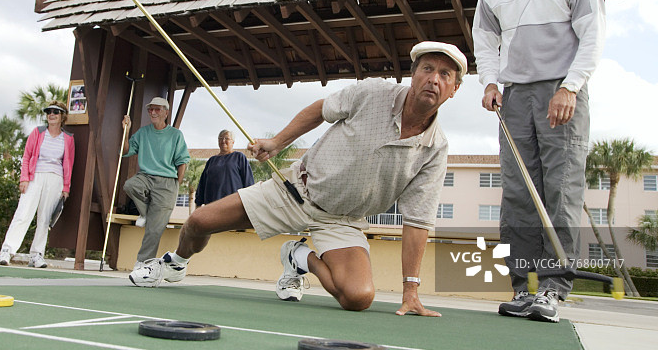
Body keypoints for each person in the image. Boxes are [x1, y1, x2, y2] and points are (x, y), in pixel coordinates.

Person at [129, 42, 466, 317]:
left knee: (358, 297)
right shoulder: (375, 93)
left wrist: (411, 290)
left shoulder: (435, 149)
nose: (433, 79)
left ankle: (298, 258)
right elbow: (321, 109)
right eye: (427, 69)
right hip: (294, 190)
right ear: (413, 74)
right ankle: (176, 263)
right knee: (199, 222)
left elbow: (418, 220)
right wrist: (277, 143)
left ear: (454, 89)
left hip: (343, 222)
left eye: (444, 74)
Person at [473, 0, 606, 323]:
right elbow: (486, 42)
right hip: (514, 97)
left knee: (560, 190)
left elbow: (592, 36)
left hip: (561, 92)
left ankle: (552, 288)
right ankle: (523, 287)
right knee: (516, 194)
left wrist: (570, 88)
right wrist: (490, 82)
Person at [0, 101, 75, 268]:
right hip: (35, 177)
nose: (51, 114)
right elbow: (27, 156)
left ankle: (36, 255)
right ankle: (7, 251)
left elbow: (69, 164)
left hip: (56, 179)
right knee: (23, 213)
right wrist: (24, 178)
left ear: (62, 116)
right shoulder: (38, 132)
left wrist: (65, 187)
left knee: (45, 219)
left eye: (55, 112)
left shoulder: (68, 139)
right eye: (49, 112)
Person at [121, 97, 190, 267]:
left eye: (157, 109)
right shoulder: (143, 132)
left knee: (154, 229)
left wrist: (176, 185)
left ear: (166, 113)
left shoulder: (175, 135)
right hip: (146, 177)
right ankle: (145, 213)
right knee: (130, 185)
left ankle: (142, 262)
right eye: (150, 109)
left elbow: (183, 161)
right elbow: (126, 151)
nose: (152, 112)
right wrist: (126, 131)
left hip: (167, 183)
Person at [194, 130, 254, 207]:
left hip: (233, 205)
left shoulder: (239, 157)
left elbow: (248, 181)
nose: (223, 141)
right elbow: (202, 184)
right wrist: (198, 204)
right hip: (212, 205)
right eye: (220, 138)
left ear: (233, 142)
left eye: (226, 138)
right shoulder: (211, 160)